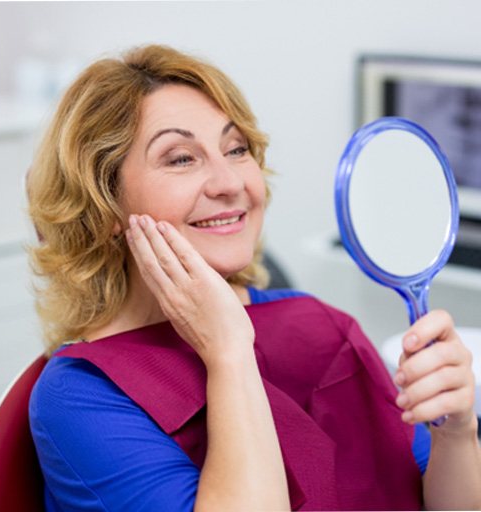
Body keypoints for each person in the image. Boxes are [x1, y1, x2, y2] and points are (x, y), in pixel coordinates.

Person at [27, 44, 481, 511]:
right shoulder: (81, 396)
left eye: (236, 149)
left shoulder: (322, 327)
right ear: (105, 205)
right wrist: (228, 353)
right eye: (181, 158)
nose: (230, 183)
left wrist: (458, 432)